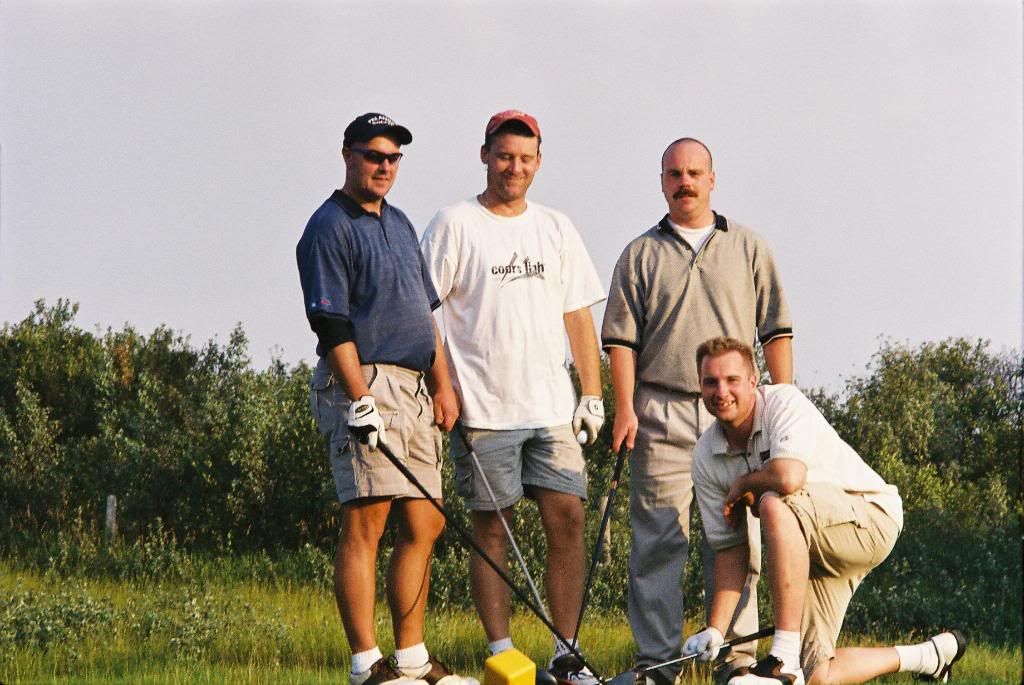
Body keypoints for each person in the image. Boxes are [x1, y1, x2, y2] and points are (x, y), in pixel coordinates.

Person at [420, 110, 606, 684]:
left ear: (539, 162)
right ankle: (503, 655)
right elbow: (425, 312)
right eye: (504, 156)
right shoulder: (454, 223)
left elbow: (578, 314)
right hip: (483, 410)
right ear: (485, 155)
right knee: (492, 531)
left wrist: (592, 395)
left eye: (525, 158)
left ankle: (566, 653)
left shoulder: (556, 227)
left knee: (568, 520)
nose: (514, 168)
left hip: (552, 410)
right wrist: (443, 385)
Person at [601, 138, 794, 684]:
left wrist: (781, 405)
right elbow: (619, 341)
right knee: (658, 539)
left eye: (694, 173)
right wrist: (624, 408)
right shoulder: (639, 253)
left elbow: (776, 331)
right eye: (674, 174)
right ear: (662, 181)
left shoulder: (748, 246)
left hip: (735, 413)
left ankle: (737, 660)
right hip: (658, 408)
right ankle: (658, 663)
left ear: (712, 179)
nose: (684, 182)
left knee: (734, 539)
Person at [296, 112, 476, 685]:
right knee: (366, 521)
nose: (384, 166)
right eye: (374, 155)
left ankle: (412, 659)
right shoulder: (328, 226)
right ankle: (367, 666)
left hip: (415, 384)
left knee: (426, 521)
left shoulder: (398, 222)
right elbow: (331, 323)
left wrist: (443, 383)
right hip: (364, 380)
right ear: (347, 155)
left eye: (393, 157)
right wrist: (359, 399)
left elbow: (425, 313)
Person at [683, 336, 966, 685]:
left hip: (871, 517)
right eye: (710, 382)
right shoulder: (705, 455)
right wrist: (715, 629)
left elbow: (788, 478)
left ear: (753, 381)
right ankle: (930, 656)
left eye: (732, 380)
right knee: (817, 675)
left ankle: (782, 658)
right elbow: (730, 549)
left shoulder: (782, 402)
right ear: (700, 386)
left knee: (774, 502)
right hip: (810, 547)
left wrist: (744, 483)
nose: (721, 391)